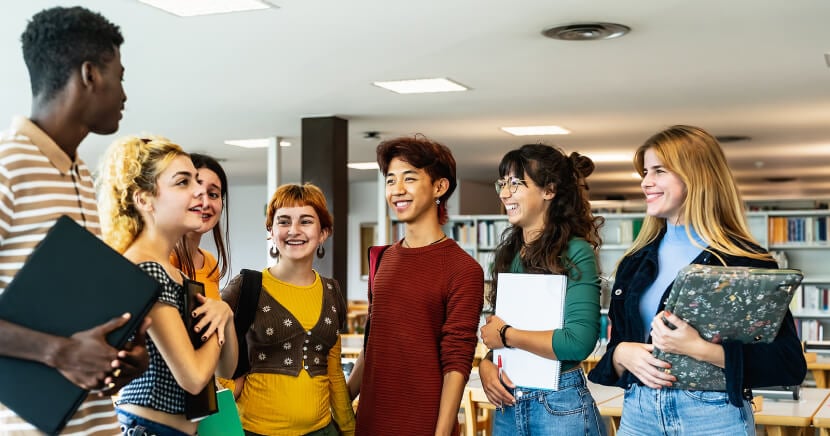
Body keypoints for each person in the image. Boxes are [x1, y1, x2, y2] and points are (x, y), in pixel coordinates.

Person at [587, 125, 807, 435]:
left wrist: (701, 349)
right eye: (645, 172)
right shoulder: (635, 262)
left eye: (659, 171)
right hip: (639, 415)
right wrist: (622, 354)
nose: (645, 182)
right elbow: (617, 348)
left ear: (695, 176)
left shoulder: (746, 262)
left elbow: (787, 364)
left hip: (712, 417)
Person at [0, 7, 150, 434]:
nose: (124, 94)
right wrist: (59, 352)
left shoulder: (81, 173)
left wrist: (122, 356)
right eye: (119, 76)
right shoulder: (7, 165)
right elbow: (65, 349)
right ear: (90, 75)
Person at [97, 136, 238, 435]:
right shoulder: (147, 270)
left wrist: (224, 315)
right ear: (145, 199)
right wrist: (220, 322)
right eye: (183, 182)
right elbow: (195, 377)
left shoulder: (172, 272)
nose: (199, 192)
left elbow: (225, 370)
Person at [349, 135, 484, 436]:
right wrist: (343, 403)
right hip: (370, 421)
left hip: (424, 422)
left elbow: (456, 362)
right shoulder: (380, 259)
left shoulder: (464, 269)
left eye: (409, 179)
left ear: (439, 187)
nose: (397, 190)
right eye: (390, 180)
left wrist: (441, 431)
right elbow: (372, 345)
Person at [478, 144, 606, 435]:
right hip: (509, 401)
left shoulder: (576, 251)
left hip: (559, 405)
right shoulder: (509, 254)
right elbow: (508, 334)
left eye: (516, 184)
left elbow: (577, 342)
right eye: (502, 183)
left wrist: (505, 335)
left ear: (549, 190)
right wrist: (487, 366)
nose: (504, 193)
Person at [221, 183, 355, 435]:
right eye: (283, 222)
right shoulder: (246, 287)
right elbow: (208, 353)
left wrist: (349, 429)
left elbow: (334, 372)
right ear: (270, 231)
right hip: (254, 430)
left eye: (305, 221)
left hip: (322, 431)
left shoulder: (332, 291)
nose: (294, 230)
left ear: (323, 232)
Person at [171, 153, 231, 301]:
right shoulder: (161, 261)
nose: (205, 203)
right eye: (195, 192)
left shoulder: (209, 263)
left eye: (213, 194)